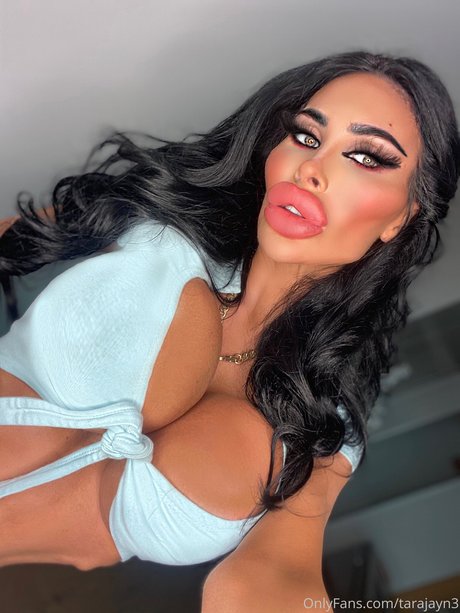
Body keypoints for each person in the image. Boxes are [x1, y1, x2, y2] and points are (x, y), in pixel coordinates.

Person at [0, 50, 459, 611]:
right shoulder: (165, 236)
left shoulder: (323, 428)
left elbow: (279, 576)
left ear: (402, 216)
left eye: (365, 157)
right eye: (306, 137)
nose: (310, 169)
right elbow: (16, 235)